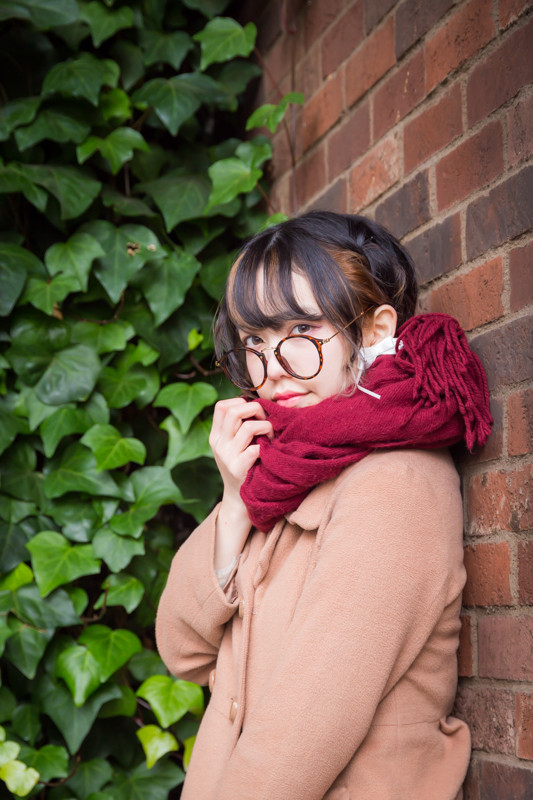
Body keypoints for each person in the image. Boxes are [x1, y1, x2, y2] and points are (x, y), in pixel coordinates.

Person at [155, 212, 492, 800]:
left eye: (302, 330)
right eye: (255, 340)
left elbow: (299, 733)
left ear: (373, 331)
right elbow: (182, 651)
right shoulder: (283, 467)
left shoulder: (393, 483)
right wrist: (235, 503)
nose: (273, 367)